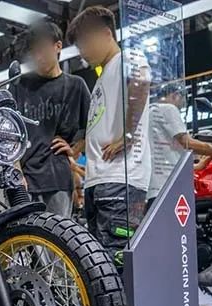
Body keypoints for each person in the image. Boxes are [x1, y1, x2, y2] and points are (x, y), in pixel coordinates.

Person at [66, 6, 152, 264]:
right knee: (100, 263)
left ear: (106, 34)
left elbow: (141, 80)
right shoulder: (104, 74)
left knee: (115, 261)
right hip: (100, 180)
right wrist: (80, 145)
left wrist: (128, 135)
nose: (82, 52)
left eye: (84, 43)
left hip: (120, 179)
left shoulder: (128, 58)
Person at [9, 20, 91, 217]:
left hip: (58, 180)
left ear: (58, 46)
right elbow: (10, 135)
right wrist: (16, 172)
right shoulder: (20, 86)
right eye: (35, 51)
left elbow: (94, 127)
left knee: (57, 234)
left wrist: (74, 149)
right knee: (23, 235)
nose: (39, 56)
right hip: (25, 179)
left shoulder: (76, 86)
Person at [147, 84, 212, 207]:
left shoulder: (149, 113)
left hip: (155, 189)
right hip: (172, 188)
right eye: (183, 99)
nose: (182, 105)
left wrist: (199, 165)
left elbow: (167, 158)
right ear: (176, 95)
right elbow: (187, 143)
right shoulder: (168, 108)